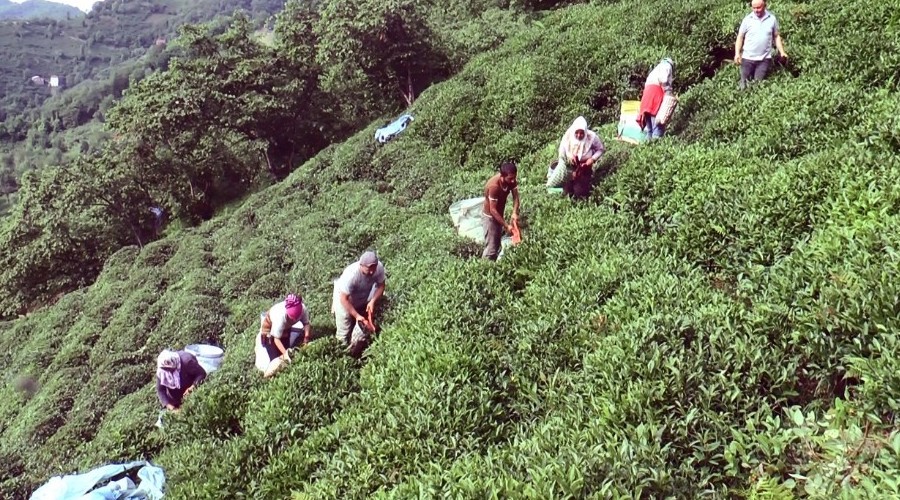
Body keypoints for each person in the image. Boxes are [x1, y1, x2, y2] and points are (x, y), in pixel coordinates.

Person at [332, 251, 386, 357]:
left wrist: (372, 301)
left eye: (373, 268)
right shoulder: (351, 275)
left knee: (365, 313)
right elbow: (344, 299)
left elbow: (381, 285)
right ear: (361, 265)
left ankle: (358, 347)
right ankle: (341, 354)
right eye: (369, 268)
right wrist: (357, 316)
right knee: (344, 326)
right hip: (343, 297)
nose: (372, 271)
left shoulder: (378, 267)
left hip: (362, 294)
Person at [734, 0, 787, 89]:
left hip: (764, 59)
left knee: (758, 86)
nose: (756, 10)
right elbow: (740, 37)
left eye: (758, 7)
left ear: (765, 6)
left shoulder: (772, 19)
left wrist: (782, 52)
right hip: (747, 58)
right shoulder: (747, 19)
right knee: (744, 85)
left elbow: (776, 36)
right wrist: (737, 53)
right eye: (754, 8)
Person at [255, 293, 310, 377]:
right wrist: (285, 354)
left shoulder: (303, 309)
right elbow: (276, 339)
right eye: (292, 317)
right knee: (275, 357)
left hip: (285, 329)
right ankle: (270, 376)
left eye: (296, 317)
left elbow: (306, 323)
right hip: (269, 331)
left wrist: (306, 338)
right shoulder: (280, 316)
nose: (295, 319)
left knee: (286, 350)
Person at [557, 117, 605, 199]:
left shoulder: (591, 137)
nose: (579, 135)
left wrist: (592, 159)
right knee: (567, 192)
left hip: (584, 167)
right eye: (577, 133)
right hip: (570, 166)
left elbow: (600, 149)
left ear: (585, 131)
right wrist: (568, 159)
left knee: (579, 193)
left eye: (582, 133)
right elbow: (561, 152)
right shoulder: (568, 136)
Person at [482, 161, 521, 260]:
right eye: (510, 178)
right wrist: (506, 225)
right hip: (490, 218)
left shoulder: (511, 181)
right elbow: (493, 210)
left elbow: (516, 197)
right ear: (502, 176)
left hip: (499, 214)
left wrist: (514, 212)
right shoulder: (494, 187)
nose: (513, 180)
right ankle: (483, 266)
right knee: (491, 248)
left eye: (514, 177)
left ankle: (495, 264)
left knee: (497, 244)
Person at [637, 58, 675, 140]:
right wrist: (668, 91)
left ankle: (648, 144)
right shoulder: (666, 66)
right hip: (655, 94)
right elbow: (664, 79)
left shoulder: (656, 69)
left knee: (649, 129)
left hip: (647, 95)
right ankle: (656, 143)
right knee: (658, 123)